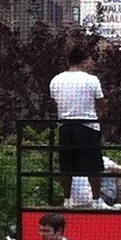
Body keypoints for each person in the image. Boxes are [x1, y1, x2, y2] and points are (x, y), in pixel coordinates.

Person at [49, 46, 110, 210]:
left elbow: (55, 102)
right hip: (88, 125)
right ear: (84, 61)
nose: (92, 63)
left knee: (66, 164)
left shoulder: (56, 80)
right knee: (94, 164)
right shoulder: (92, 80)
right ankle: (97, 200)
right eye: (90, 59)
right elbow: (101, 103)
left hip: (65, 125)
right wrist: (105, 108)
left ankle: (67, 199)